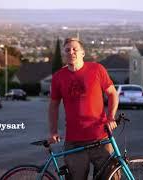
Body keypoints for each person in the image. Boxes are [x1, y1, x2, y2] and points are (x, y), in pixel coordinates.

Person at [48, 38, 119, 179]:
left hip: (101, 138)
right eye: (67, 50)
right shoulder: (58, 77)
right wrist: (53, 131)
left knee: (112, 176)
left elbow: (113, 94)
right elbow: (53, 106)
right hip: (74, 142)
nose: (71, 52)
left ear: (83, 53)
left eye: (75, 49)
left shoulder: (97, 69)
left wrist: (111, 117)